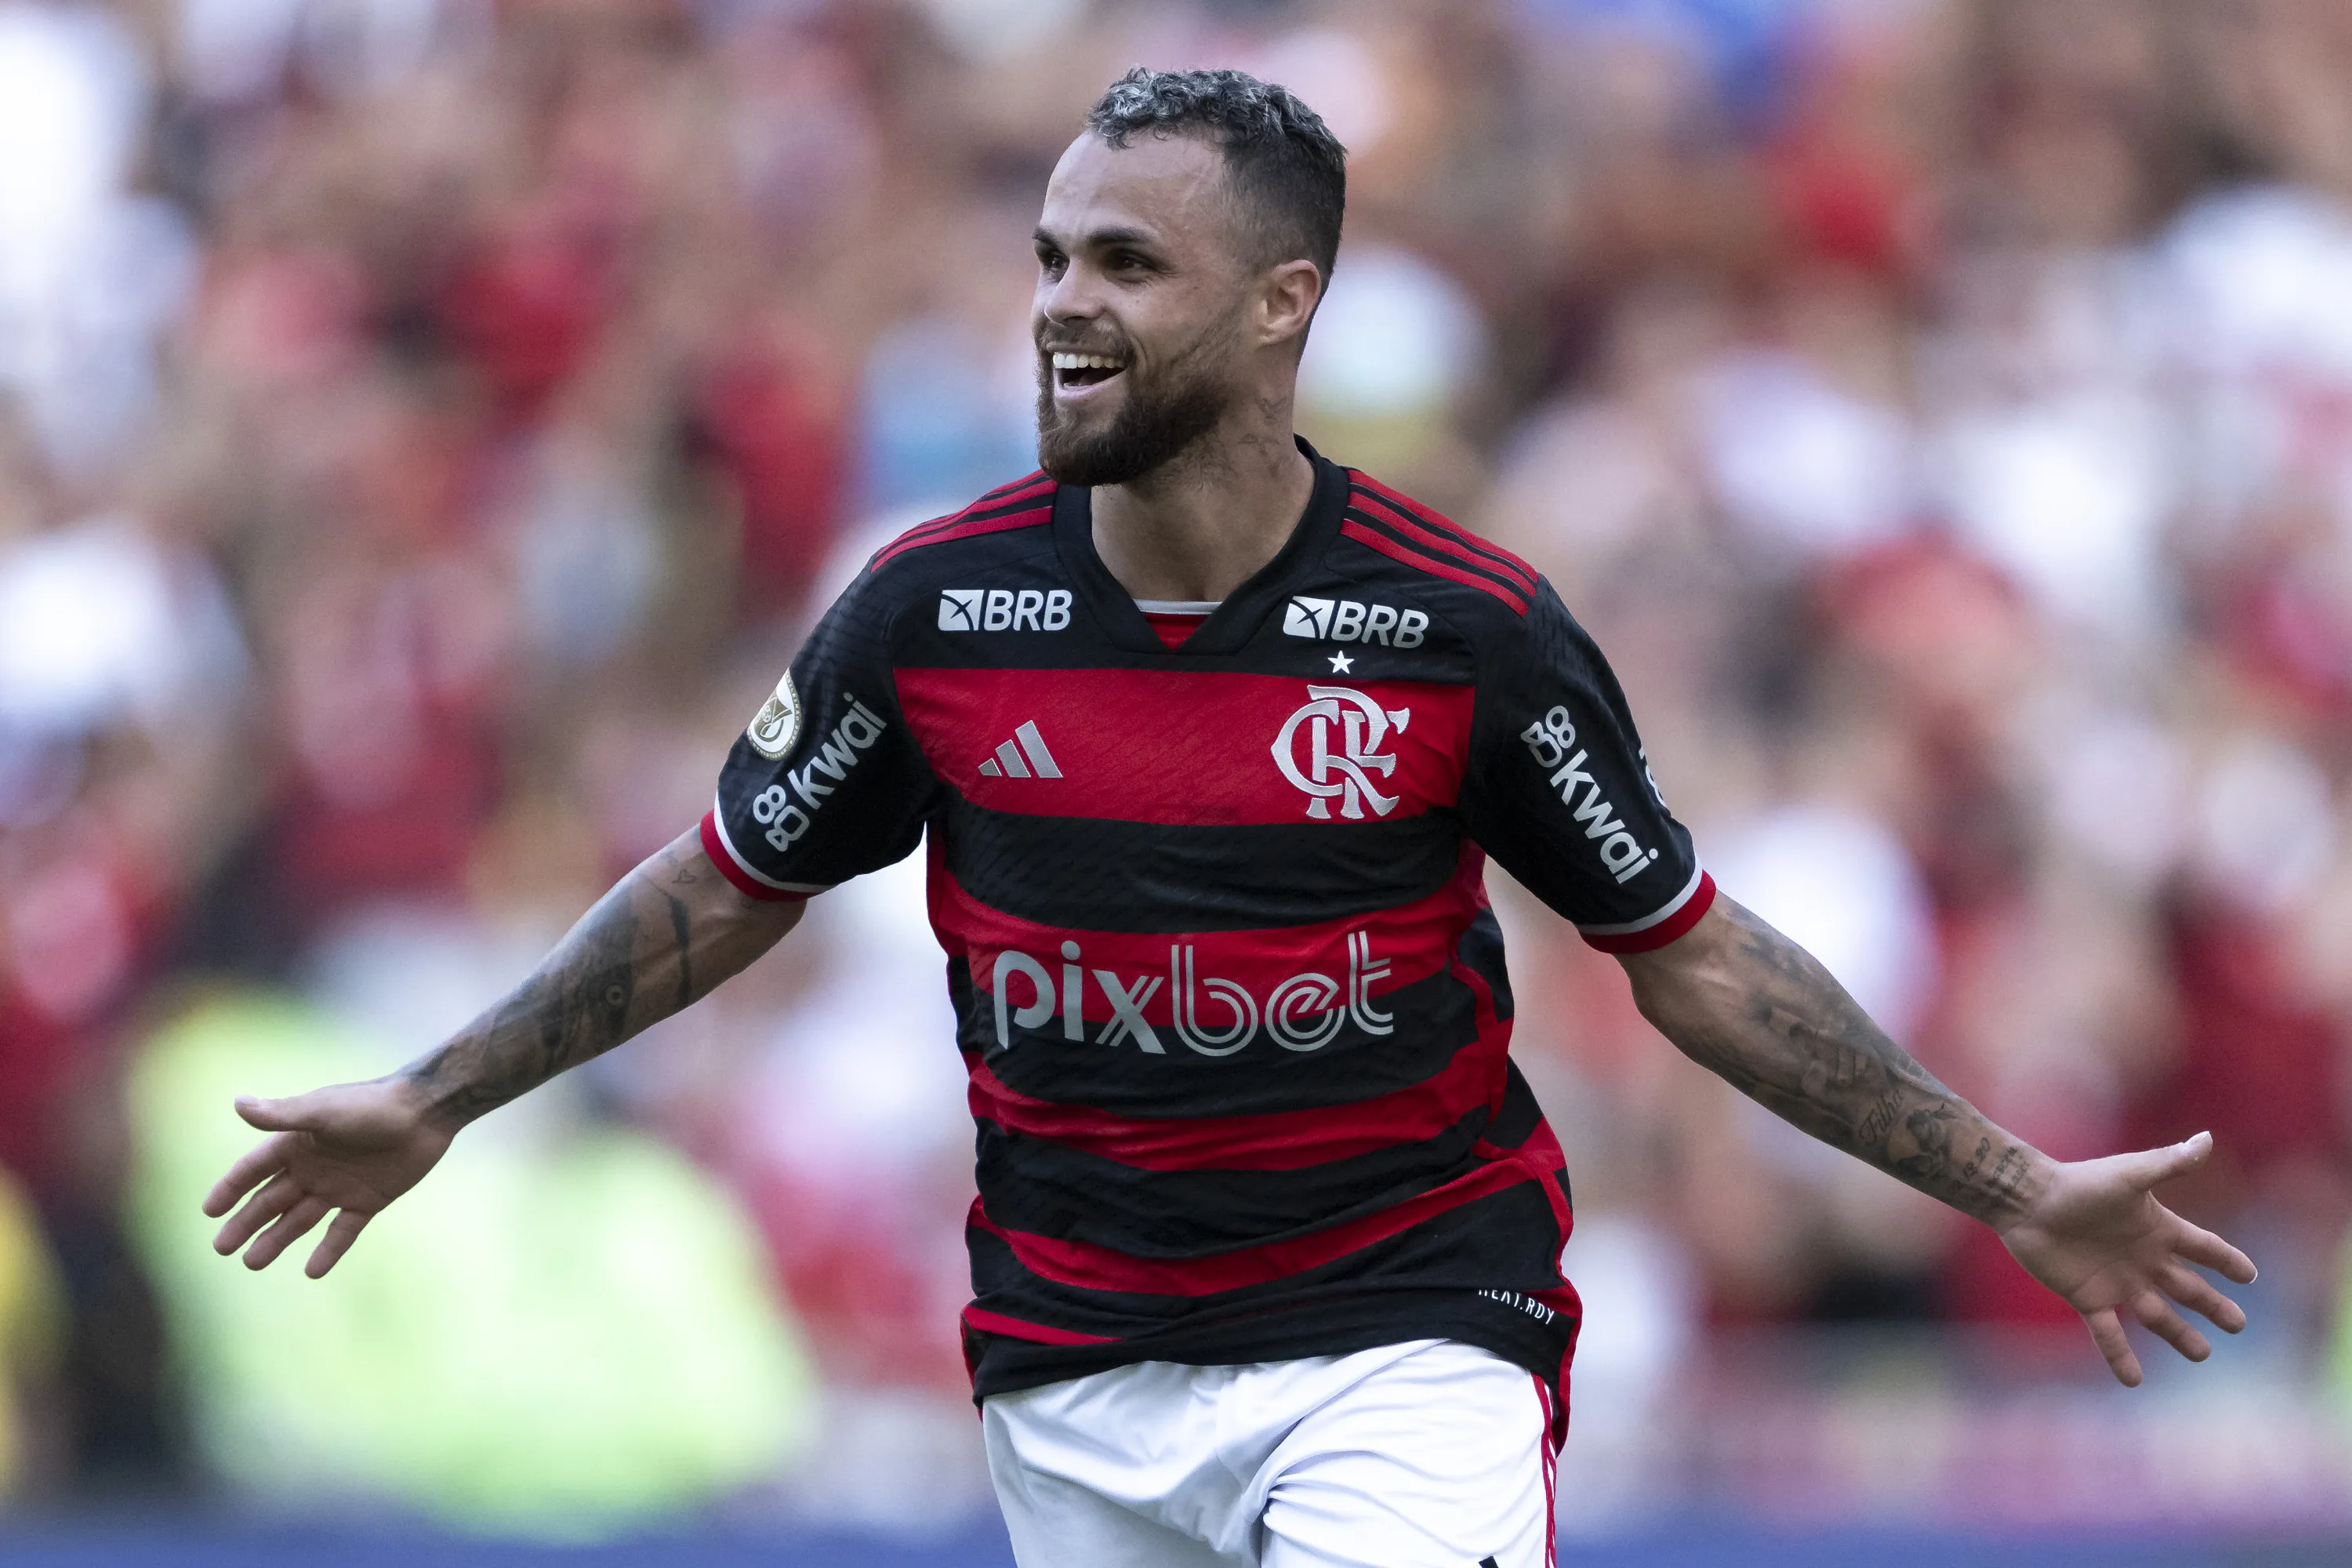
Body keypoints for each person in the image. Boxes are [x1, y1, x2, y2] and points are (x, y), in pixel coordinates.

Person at [202, 67, 2257, 1568]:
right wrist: (443, 1094)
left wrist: (2003, 1182)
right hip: (1071, 1371)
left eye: (1126, 261)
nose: (1061, 302)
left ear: (1282, 305)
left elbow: (1692, 950)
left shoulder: (1465, 631)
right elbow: (726, 888)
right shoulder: (939, 611)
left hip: (1400, 1336)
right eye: (1050, 256)